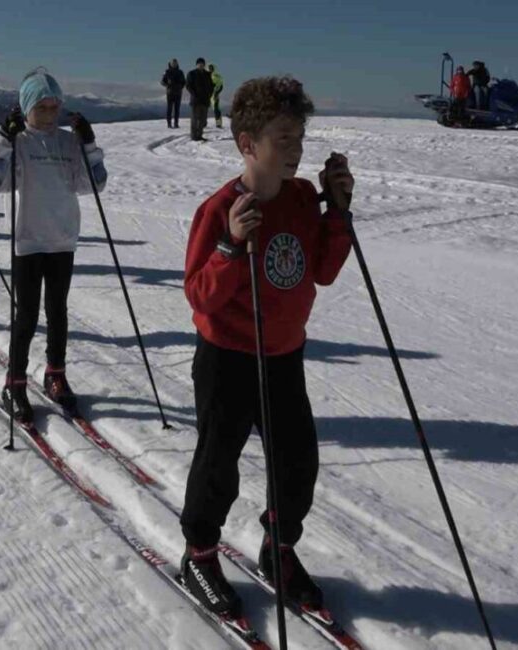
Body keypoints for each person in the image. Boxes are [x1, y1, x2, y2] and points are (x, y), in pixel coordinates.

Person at [178, 75, 354, 618]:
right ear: (247, 143)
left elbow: (322, 272)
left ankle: (278, 548)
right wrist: (231, 244)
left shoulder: (303, 198)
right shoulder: (220, 208)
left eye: (300, 137)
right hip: (228, 355)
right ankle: (200, 555)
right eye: (284, 138)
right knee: (218, 463)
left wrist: (338, 212)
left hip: (284, 354)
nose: (295, 150)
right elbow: (200, 298)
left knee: (297, 461)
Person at [0, 69, 108, 424]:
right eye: (42, 106)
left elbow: (93, 185)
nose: (50, 113)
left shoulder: (68, 143)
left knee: (58, 311)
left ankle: (55, 372)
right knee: (26, 315)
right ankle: (15, 382)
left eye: (55, 107)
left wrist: (89, 145)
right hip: (28, 239)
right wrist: (3, 142)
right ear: (26, 107)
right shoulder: (19, 141)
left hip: (62, 238)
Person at [186, 58, 215, 141]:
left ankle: (200, 135)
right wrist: (194, 94)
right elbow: (188, 85)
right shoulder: (192, 74)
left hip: (205, 100)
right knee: (195, 119)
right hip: (196, 100)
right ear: (196, 65)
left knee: (203, 119)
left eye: (202, 64)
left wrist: (209, 94)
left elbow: (211, 86)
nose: (201, 65)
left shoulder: (207, 74)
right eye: (199, 64)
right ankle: (194, 136)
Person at [161, 59, 186, 129]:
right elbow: (162, 81)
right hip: (170, 93)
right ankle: (169, 124)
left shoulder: (180, 72)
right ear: (170, 64)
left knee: (177, 109)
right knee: (169, 108)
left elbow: (184, 82)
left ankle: (176, 123)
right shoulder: (167, 72)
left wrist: (181, 86)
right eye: (173, 63)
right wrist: (168, 85)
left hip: (178, 92)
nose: (174, 64)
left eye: (175, 63)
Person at [208, 63, 225, 128]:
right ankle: (203, 123)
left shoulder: (217, 76)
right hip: (208, 95)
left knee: (216, 109)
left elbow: (221, 86)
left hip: (215, 95)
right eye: (209, 68)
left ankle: (218, 123)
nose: (210, 69)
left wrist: (216, 93)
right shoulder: (207, 76)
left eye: (211, 68)